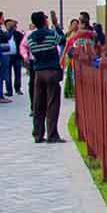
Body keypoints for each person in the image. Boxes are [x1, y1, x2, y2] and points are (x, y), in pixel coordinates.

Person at [29, 11, 66, 143]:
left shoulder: (31, 37)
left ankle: (38, 135)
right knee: (52, 103)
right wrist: (56, 25)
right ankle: (52, 135)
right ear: (45, 21)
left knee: (38, 104)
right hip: (51, 71)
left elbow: (32, 52)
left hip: (38, 72)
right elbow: (62, 40)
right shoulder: (51, 34)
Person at [6, 19, 25, 94]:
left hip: (17, 57)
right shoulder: (4, 34)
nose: (10, 27)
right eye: (8, 25)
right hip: (7, 56)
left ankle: (18, 88)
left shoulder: (19, 34)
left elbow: (23, 44)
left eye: (11, 25)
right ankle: (9, 90)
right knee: (8, 74)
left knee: (17, 73)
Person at [0, 19, 12, 102]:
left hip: (4, 54)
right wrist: (10, 29)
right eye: (2, 18)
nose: (3, 19)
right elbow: (6, 37)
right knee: (1, 76)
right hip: (2, 55)